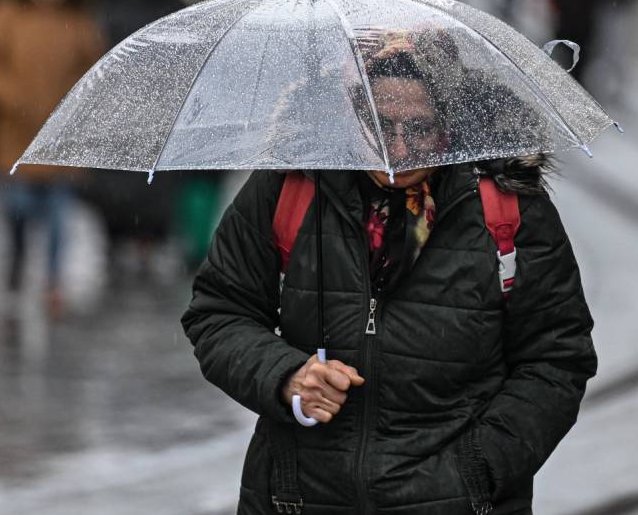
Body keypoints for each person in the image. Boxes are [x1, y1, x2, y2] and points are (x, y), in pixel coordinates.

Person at [182, 29, 597, 514]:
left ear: (449, 123)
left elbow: (556, 358)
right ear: (351, 113)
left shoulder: (505, 209)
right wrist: (285, 376)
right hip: (300, 498)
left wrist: (477, 469)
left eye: (418, 128)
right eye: (378, 126)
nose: (396, 151)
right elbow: (218, 312)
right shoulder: (292, 185)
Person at [0, 0, 105, 316]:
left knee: (57, 217)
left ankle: (53, 281)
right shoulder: (6, 13)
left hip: (62, 136)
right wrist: (13, 101)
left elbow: (97, 70)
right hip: (15, 134)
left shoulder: (80, 22)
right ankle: (17, 262)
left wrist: (73, 108)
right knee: (16, 207)